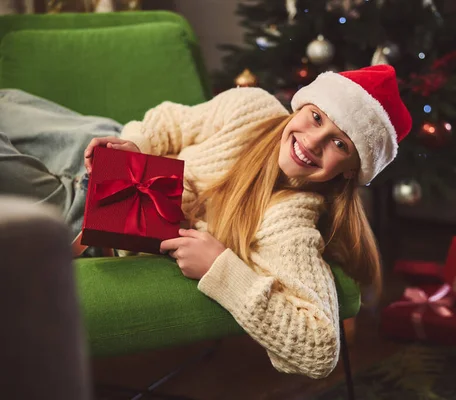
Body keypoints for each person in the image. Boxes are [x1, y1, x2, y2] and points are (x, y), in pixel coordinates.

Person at [0, 65, 411, 378]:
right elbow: (173, 123)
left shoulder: (289, 220)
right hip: (97, 144)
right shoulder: (252, 107)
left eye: (339, 143)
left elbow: (320, 349)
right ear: (303, 105)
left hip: (82, 213)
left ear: (349, 170)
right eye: (317, 118)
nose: (313, 141)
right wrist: (134, 147)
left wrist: (222, 269)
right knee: (6, 101)